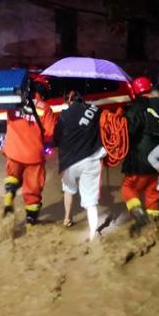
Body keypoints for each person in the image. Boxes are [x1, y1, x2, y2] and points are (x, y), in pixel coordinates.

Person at [121, 77, 159, 230]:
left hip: (140, 161)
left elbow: (128, 132)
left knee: (128, 188)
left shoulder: (135, 108)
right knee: (153, 192)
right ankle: (153, 224)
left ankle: (137, 211)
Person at [2, 81, 57, 224]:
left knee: (12, 176)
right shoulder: (45, 108)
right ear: (42, 94)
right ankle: (31, 221)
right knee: (33, 188)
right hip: (33, 155)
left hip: (13, 151)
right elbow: (51, 132)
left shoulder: (14, 103)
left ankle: (9, 193)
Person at [54, 90, 105, 241]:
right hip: (91, 159)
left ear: (68, 101)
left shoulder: (63, 115)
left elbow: (56, 138)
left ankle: (67, 219)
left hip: (69, 162)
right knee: (90, 201)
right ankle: (92, 233)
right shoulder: (95, 110)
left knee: (68, 189)